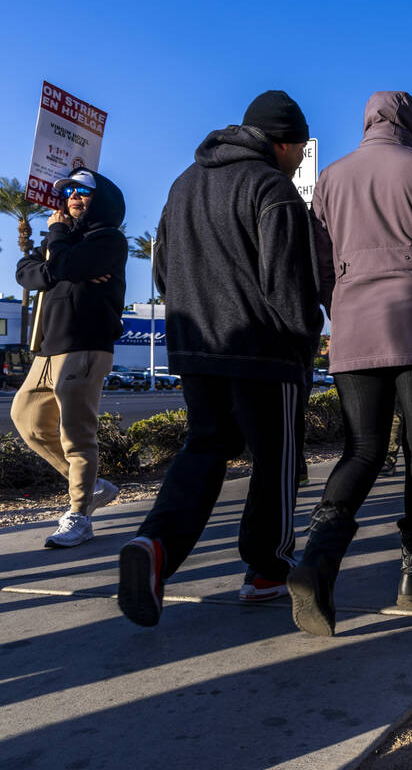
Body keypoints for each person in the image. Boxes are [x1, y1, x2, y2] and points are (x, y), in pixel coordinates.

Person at [117, 91, 327, 627]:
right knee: (276, 457)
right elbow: (288, 283)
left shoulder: (183, 184)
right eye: (300, 148)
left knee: (206, 445)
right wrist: (305, 340)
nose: (302, 158)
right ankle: (267, 571)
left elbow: (163, 266)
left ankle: (155, 544)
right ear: (282, 142)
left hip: (196, 347)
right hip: (264, 350)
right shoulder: (272, 189)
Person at [288, 90, 412, 637]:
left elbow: (320, 267)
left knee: (363, 448)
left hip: (356, 327)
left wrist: (343, 307)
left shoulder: (332, 179)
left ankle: (318, 563)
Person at [12, 169, 127, 548]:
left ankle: (79, 515)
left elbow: (56, 268)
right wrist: (58, 266)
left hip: (85, 345)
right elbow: (25, 271)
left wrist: (58, 263)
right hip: (47, 348)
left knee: (76, 433)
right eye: (69, 192)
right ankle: (93, 486)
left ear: (102, 199)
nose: (73, 197)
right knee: (27, 420)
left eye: (82, 191)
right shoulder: (62, 240)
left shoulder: (108, 239)